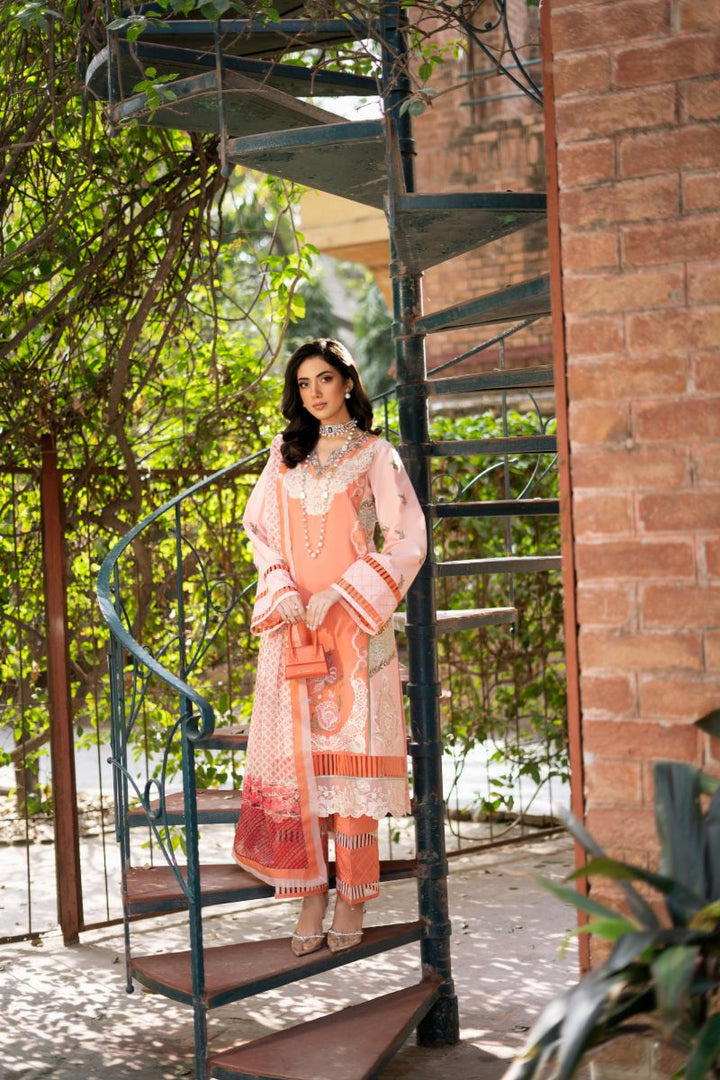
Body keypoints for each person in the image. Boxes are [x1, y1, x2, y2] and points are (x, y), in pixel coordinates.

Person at [232, 338, 426, 956]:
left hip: (356, 629)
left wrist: (343, 591)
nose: (315, 392)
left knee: (351, 768)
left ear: (347, 382)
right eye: (304, 383)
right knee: (304, 771)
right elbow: (259, 530)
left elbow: (405, 539)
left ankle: (353, 897)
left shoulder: (376, 455)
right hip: (294, 629)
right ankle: (310, 893)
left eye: (324, 379)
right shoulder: (284, 455)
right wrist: (280, 585)